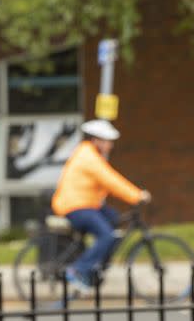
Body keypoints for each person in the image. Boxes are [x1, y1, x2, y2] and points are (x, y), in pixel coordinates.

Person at [51, 119, 151, 291]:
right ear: (96, 140)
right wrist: (137, 196)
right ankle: (77, 269)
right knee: (107, 235)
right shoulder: (88, 157)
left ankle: (98, 262)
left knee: (115, 219)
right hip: (75, 206)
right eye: (108, 141)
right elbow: (111, 180)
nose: (111, 145)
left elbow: (108, 182)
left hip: (88, 203)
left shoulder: (91, 155)